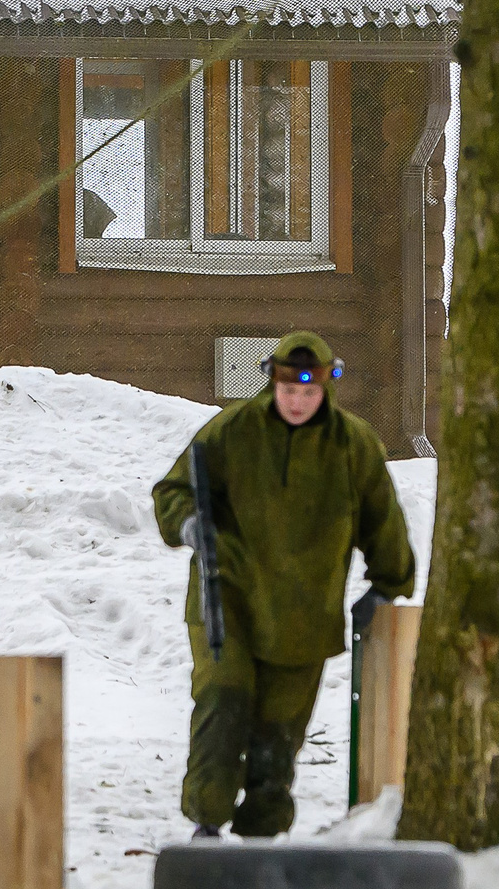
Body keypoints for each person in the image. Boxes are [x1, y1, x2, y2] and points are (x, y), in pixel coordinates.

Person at [152, 332, 416, 838]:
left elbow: (383, 520)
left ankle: (262, 831)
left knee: (279, 731)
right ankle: (207, 823)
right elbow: (174, 490)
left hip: (304, 612)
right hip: (226, 600)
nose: (297, 402)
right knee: (222, 703)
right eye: (288, 391)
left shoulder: (352, 445)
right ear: (272, 384)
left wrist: (386, 584)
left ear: (326, 390)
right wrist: (188, 524)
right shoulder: (232, 432)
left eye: (309, 392)